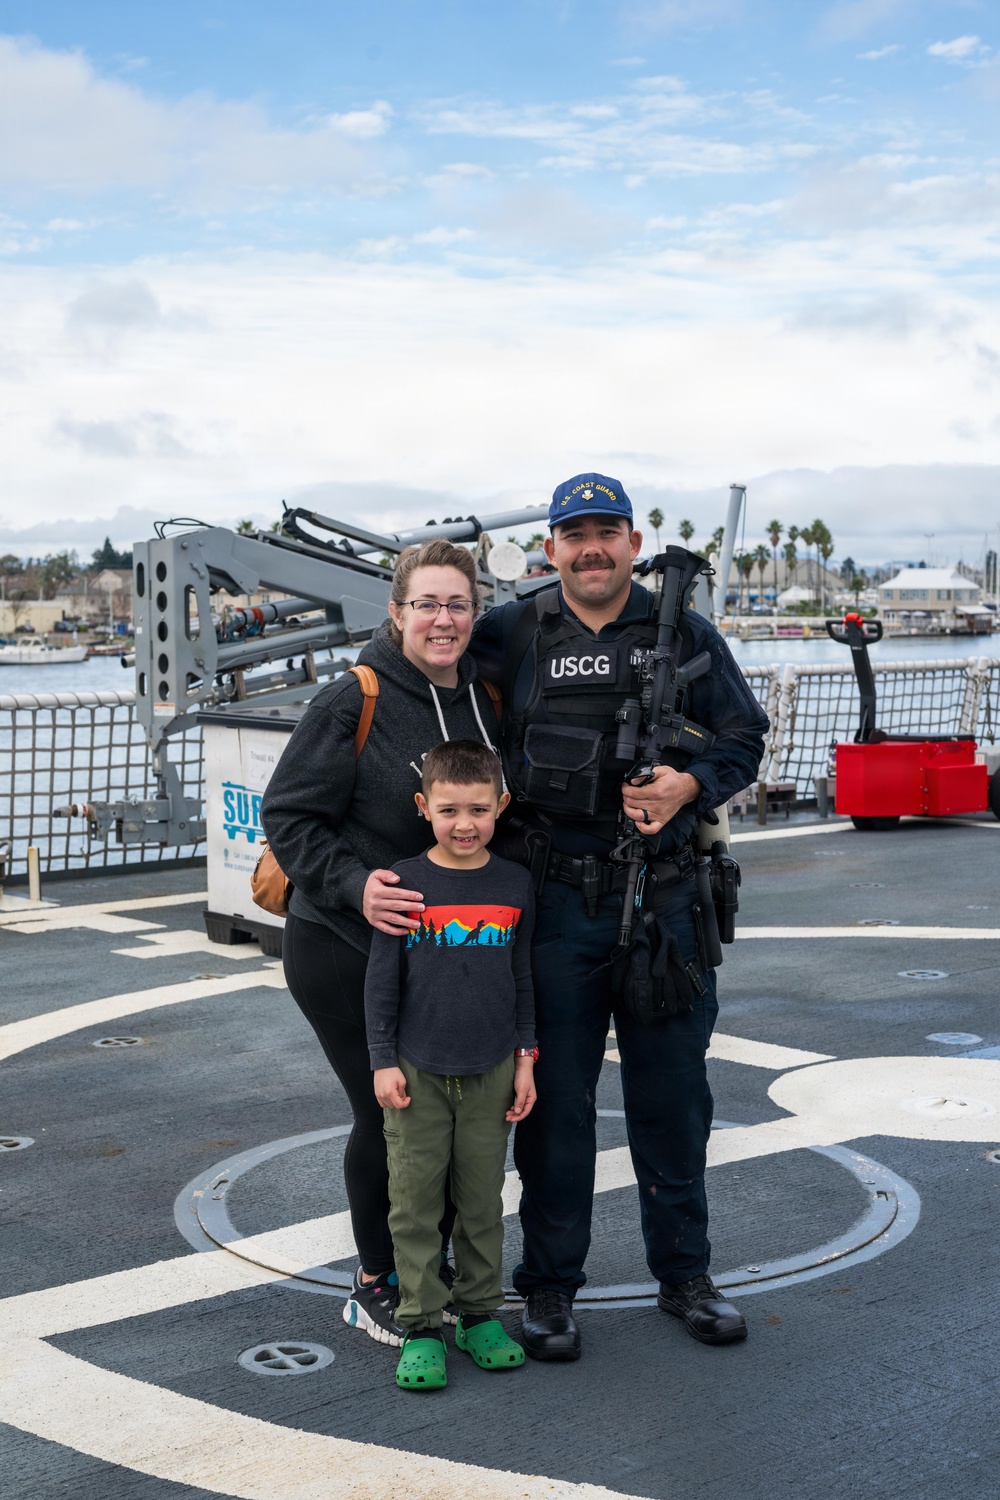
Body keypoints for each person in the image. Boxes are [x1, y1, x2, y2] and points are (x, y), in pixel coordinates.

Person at [470, 473, 770, 1359]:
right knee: (556, 1106)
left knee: (672, 1101)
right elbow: (427, 675)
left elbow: (743, 736)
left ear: (634, 543)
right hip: (556, 902)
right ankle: (551, 1290)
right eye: (575, 533)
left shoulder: (684, 631)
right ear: (552, 548)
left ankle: (686, 1276)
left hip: (669, 900)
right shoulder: (512, 631)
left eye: (608, 531)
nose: (591, 547)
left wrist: (689, 783)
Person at [260, 539, 501, 1347]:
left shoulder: (481, 700)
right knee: (386, 1109)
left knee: (441, 1111)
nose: (443, 619)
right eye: (426, 604)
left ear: (475, 614)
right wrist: (355, 886)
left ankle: (432, 1268)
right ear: (396, 613)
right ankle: (375, 1278)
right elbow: (289, 816)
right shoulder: (350, 700)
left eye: (458, 604)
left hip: (435, 953)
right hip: (342, 948)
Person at [365, 739, 537, 1391]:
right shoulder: (403, 883)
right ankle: (419, 1325)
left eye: (478, 809)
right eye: (448, 810)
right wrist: (383, 1061)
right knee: (413, 1204)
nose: (464, 824)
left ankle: (478, 1314)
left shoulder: (514, 883)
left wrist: (526, 1059)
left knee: (482, 1202)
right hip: (418, 1071)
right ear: (423, 807)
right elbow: (380, 984)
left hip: (493, 1069)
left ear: (501, 805)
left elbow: (522, 978)